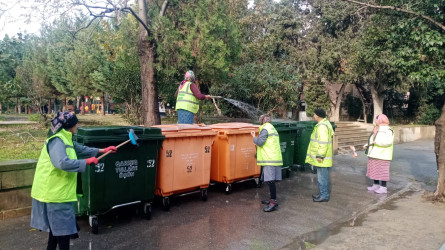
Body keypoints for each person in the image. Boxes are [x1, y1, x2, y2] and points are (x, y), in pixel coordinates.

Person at [30, 111, 117, 250]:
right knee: (63, 233)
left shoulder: (66, 138)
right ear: (70, 125)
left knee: (56, 231)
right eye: (76, 123)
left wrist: (103, 150)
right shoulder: (57, 141)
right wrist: (86, 162)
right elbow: (62, 163)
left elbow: (81, 149)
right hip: (53, 194)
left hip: (60, 192)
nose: (78, 125)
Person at [252, 114, 283, 212]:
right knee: (270, 180)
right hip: (274, 157)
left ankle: (273, 202)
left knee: (270, 181)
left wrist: (253, 137)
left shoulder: (265, 129)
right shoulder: (272, 128)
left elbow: (260, 142)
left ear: (261, 121)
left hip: (270, 158)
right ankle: (271, 200)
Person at [306, 108, 335, 202]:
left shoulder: (322, 126)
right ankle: (322, 193)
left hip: (322, 158)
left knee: (322, 178)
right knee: (321, 177)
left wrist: (320, 155)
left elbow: (323, 142)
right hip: (323, 158)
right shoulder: (323, 124)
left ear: (318, 116)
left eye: (314, 114)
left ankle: (324, 196)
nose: (313, 116)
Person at [364, 114, 394, 194]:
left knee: (382, 171)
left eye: (377, 119)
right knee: (375, 170)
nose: (375, 121)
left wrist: (377, 142)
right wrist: (366, 145)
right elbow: (372, 140)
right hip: (374, 154)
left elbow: (389, 142)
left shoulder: (388, 130)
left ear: (381, 120)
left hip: (383, 155)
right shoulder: (376, 129)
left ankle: (383, 188)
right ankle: (376, 185)